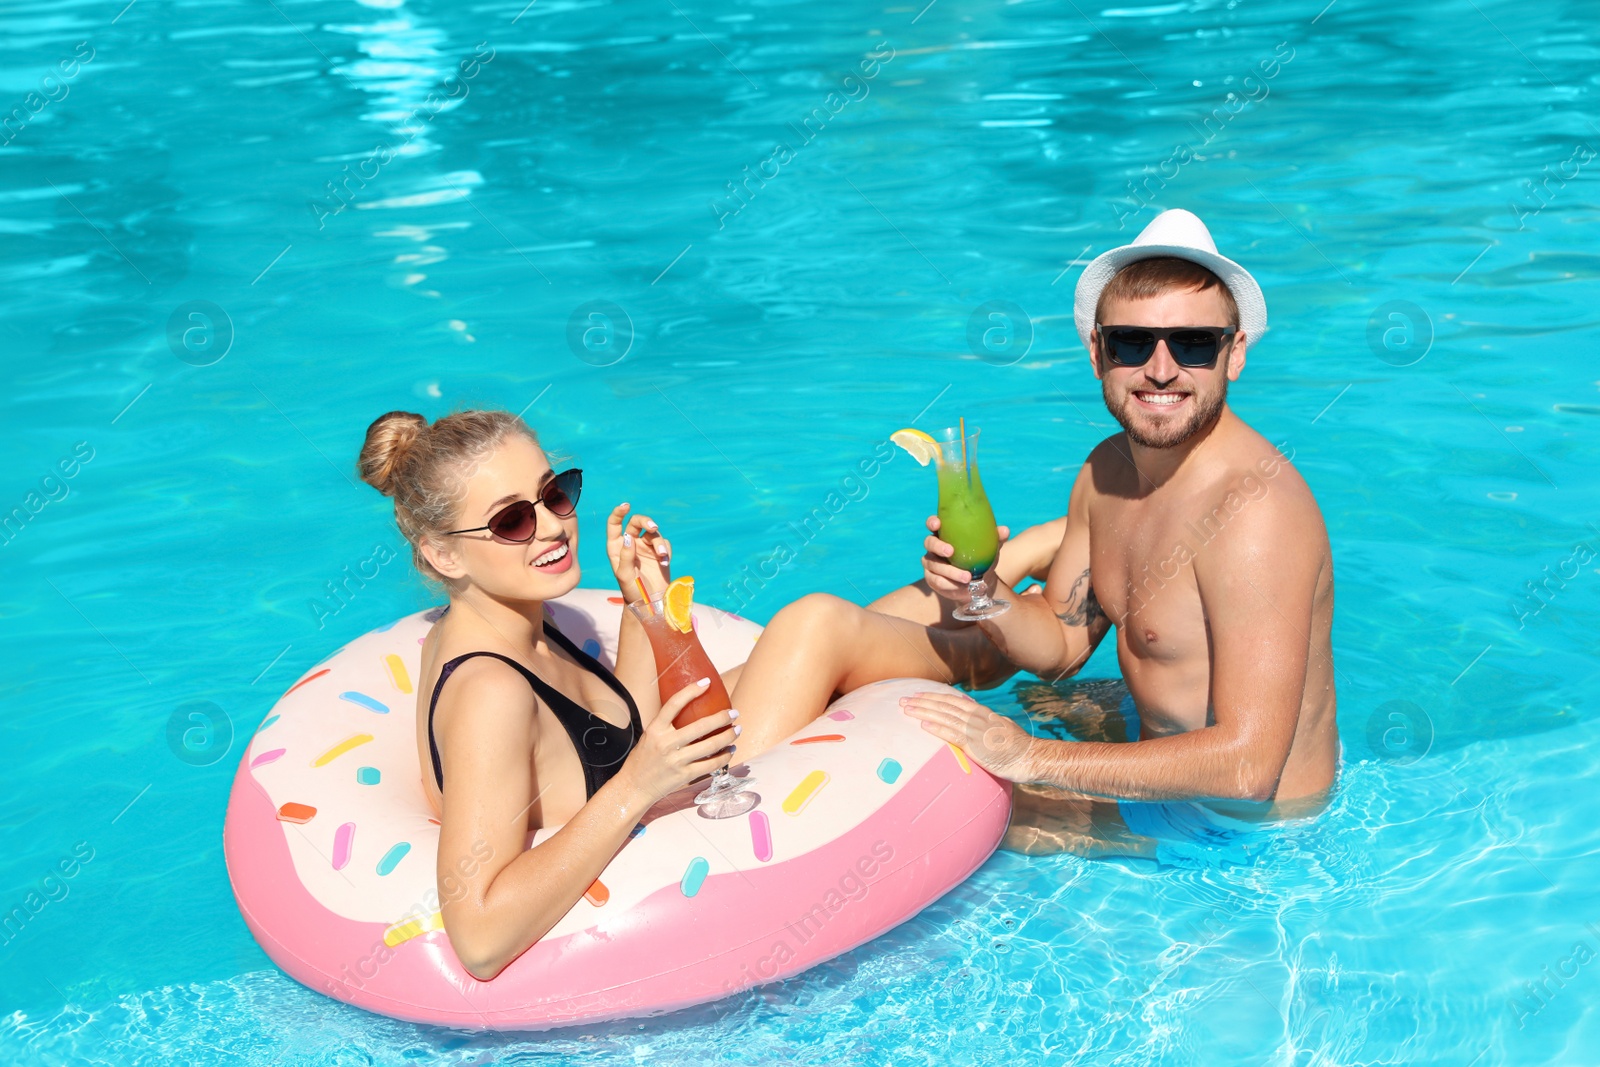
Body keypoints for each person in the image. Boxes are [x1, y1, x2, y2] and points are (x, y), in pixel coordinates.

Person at [356, 410, 1050, 981]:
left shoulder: (530, 625)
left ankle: (1011, 578)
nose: (551, 525)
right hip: (675, 813)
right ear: (443, 554)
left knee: (813, 630)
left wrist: (642, 607)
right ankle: (1003, 639)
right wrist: (635, 786)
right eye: (512, 520)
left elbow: (611, 732)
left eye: (555, 492)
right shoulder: (488, 692)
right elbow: (477, 937)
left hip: (665, 784)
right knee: (814, 626)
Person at [888, 208, 1340, 867]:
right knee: (1032, 701)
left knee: (941, 820)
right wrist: (982, 594)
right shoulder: (1107, 472)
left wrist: (1032, 756)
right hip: (1172, 782)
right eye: (1134, 342)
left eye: (1193, 344)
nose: (1161, 370)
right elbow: (1064, 645)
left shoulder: (1253, 513)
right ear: (1098, 351)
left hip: (1244, 836)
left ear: (1234, 354)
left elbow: (1249, 766)